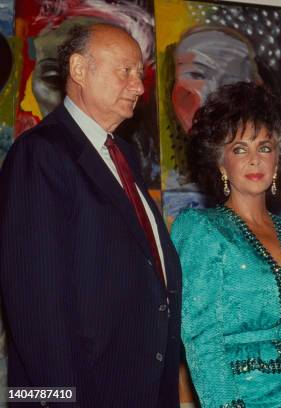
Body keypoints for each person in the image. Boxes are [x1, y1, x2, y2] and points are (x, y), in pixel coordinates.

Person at [0, 24, 182, 407]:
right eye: (126, 71)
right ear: (80, 70)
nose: (139, 87)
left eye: (141, 74)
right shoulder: (39, 153)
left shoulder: (124, 156)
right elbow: (34, 304)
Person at [171, 81, 281, 407]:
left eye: (265, 148)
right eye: (240, 149)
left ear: (278, 159)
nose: (255, 160)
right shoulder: (200, 229)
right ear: (219, 161)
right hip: (243, 399)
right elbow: (201, 339)